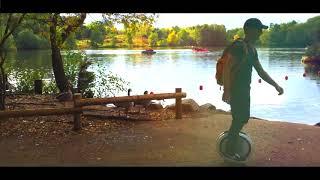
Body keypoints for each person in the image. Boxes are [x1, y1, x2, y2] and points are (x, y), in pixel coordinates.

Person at [224, 18, 284, 161]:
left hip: (245, 90)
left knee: (242, 118)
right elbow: (227, 67)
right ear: (250, 30)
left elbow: (260, 71)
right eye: (259, 29)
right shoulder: (239, 46)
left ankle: (231, 141)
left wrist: (275, 84)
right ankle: (229, 151)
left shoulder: (251, 49)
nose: (261, 33)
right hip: (236, 90)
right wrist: (227, 91)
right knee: (240, 118)